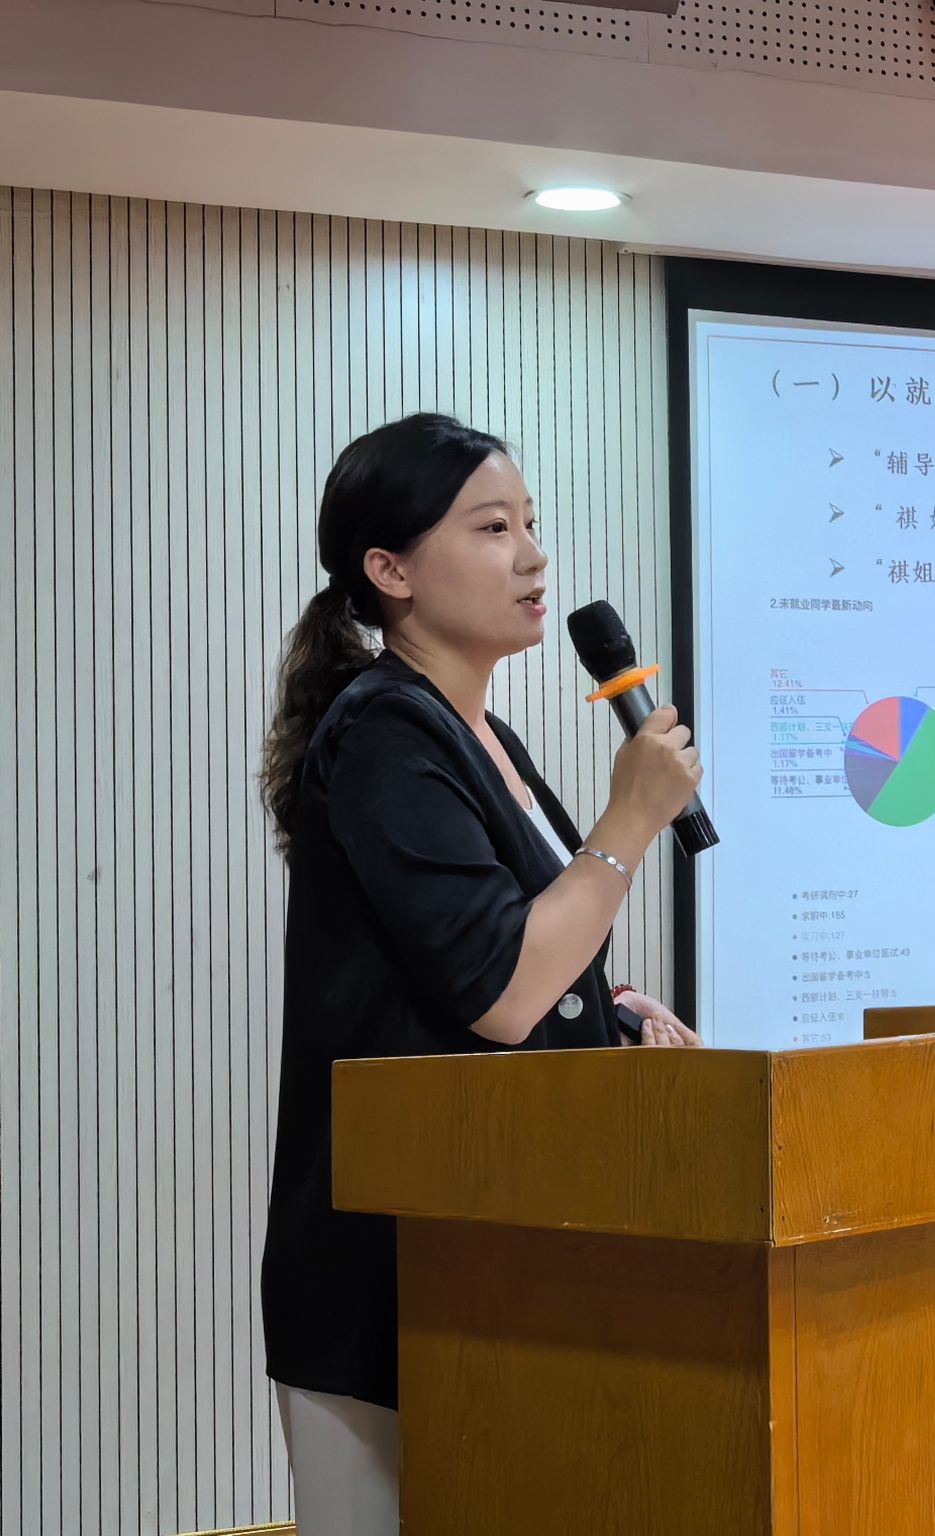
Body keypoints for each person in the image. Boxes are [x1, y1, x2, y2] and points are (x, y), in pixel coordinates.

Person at [256, 414, 705, 1535]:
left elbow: (520, 948)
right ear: (390, 570)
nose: (534, 559)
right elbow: (501, 990)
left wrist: (610, 1012)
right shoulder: (383, 733)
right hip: (394, 1268)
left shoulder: (483, 737)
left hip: (501, 1250)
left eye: (531, 526)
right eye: (494, 529)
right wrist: (630, 819)